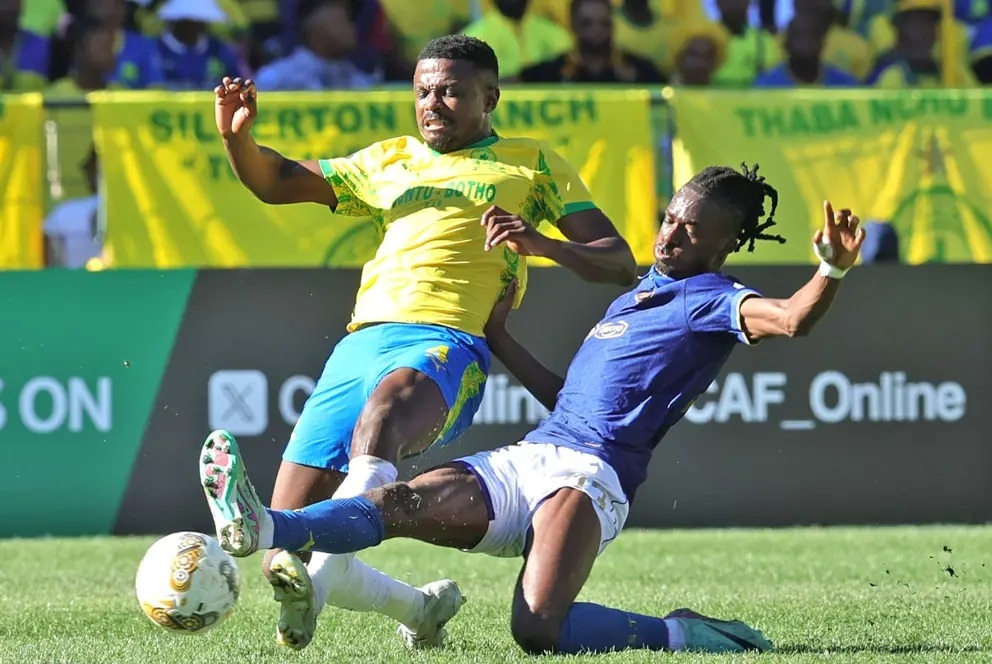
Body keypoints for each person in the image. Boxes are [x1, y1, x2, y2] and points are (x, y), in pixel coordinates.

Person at [199, 163, 867, 655]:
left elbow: (791, 320)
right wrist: (499, 339)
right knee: (393, 503)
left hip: (590, 478)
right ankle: (265, 528)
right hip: (533, 454)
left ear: (725, 246)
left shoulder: (714, 298)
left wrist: (830, 271)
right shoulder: (636, 298)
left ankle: (681, 633)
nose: (672, 237)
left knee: (537, 631)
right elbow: (568, 398)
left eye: (694, 232)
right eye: (670, 218)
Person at [212, 33, 636, 651]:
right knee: (288, 547)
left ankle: (317, 586)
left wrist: (542, 245)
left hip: (447, 344)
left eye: (450, 91)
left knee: (386, 411)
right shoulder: (390, 160)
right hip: (357, 348)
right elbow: (276, 181)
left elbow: (619, 261)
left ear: (489, 96)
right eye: (422, 91)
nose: (432, 103)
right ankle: (421, 607)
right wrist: (236, 139)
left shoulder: (531, 164)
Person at [520, 0, 665, 84]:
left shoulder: (641, 72)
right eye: (587, 23)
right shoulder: (550, 73)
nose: (597, 30)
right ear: (573, 24)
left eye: (604, 23)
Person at [755, 14, 858, 87]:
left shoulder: (846, 86)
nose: (805, 45)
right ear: (785, 45)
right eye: (799, 38)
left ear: (823, 45)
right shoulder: (765, 87)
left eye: (811, 38)